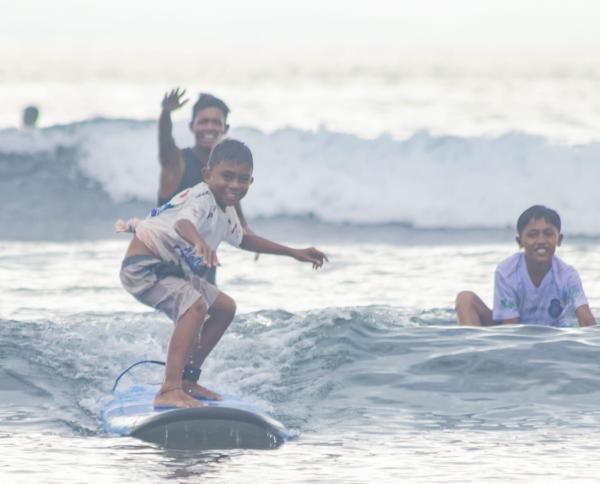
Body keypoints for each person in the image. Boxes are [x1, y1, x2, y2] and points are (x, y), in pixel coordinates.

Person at [117, 139, 328, 409]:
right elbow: (183, 223)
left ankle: (188, 380)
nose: (235, 185)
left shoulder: (226, 212)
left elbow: (244, 240)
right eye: (227, 176)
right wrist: (200, 243)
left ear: (251, 182)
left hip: (171, 269)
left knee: (225, 308)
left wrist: (293, 252)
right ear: (208, 175)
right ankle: (169, 389)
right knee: (194, 308)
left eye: (243, 179)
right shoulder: (202, 198)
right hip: (143, 267)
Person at [157, 87, 249, 284]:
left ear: (225, 128)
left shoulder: (226, 176)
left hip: (204, 270)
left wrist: (253, 240)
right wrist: (166, 114)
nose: (209, 127)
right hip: (169, 267)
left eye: (216, 122)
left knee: (215, 310)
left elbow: (239, 223)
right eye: (203, 121)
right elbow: (165, 145)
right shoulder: (177, 163)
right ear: (192, 126)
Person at [455, 205, 596, 327]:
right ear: (520, 241)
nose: (541, 241)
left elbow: (586, 319)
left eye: (548, 234)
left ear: (559, 240)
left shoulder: (568, 275)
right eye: (532, 235)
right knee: (465, 299)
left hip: (554, 334)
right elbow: (510, 328)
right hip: (510, 328)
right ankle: (474, 355)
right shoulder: (506, 271)